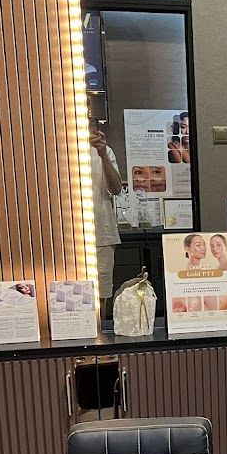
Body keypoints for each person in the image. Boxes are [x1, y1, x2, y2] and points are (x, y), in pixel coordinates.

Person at [89, 120, 122, 318]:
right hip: (68, 234)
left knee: (101, 293)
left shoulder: (105, 151)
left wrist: (103, 155)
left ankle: (100, 335)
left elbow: (116, 188)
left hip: (102, 231)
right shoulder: (57, 149)